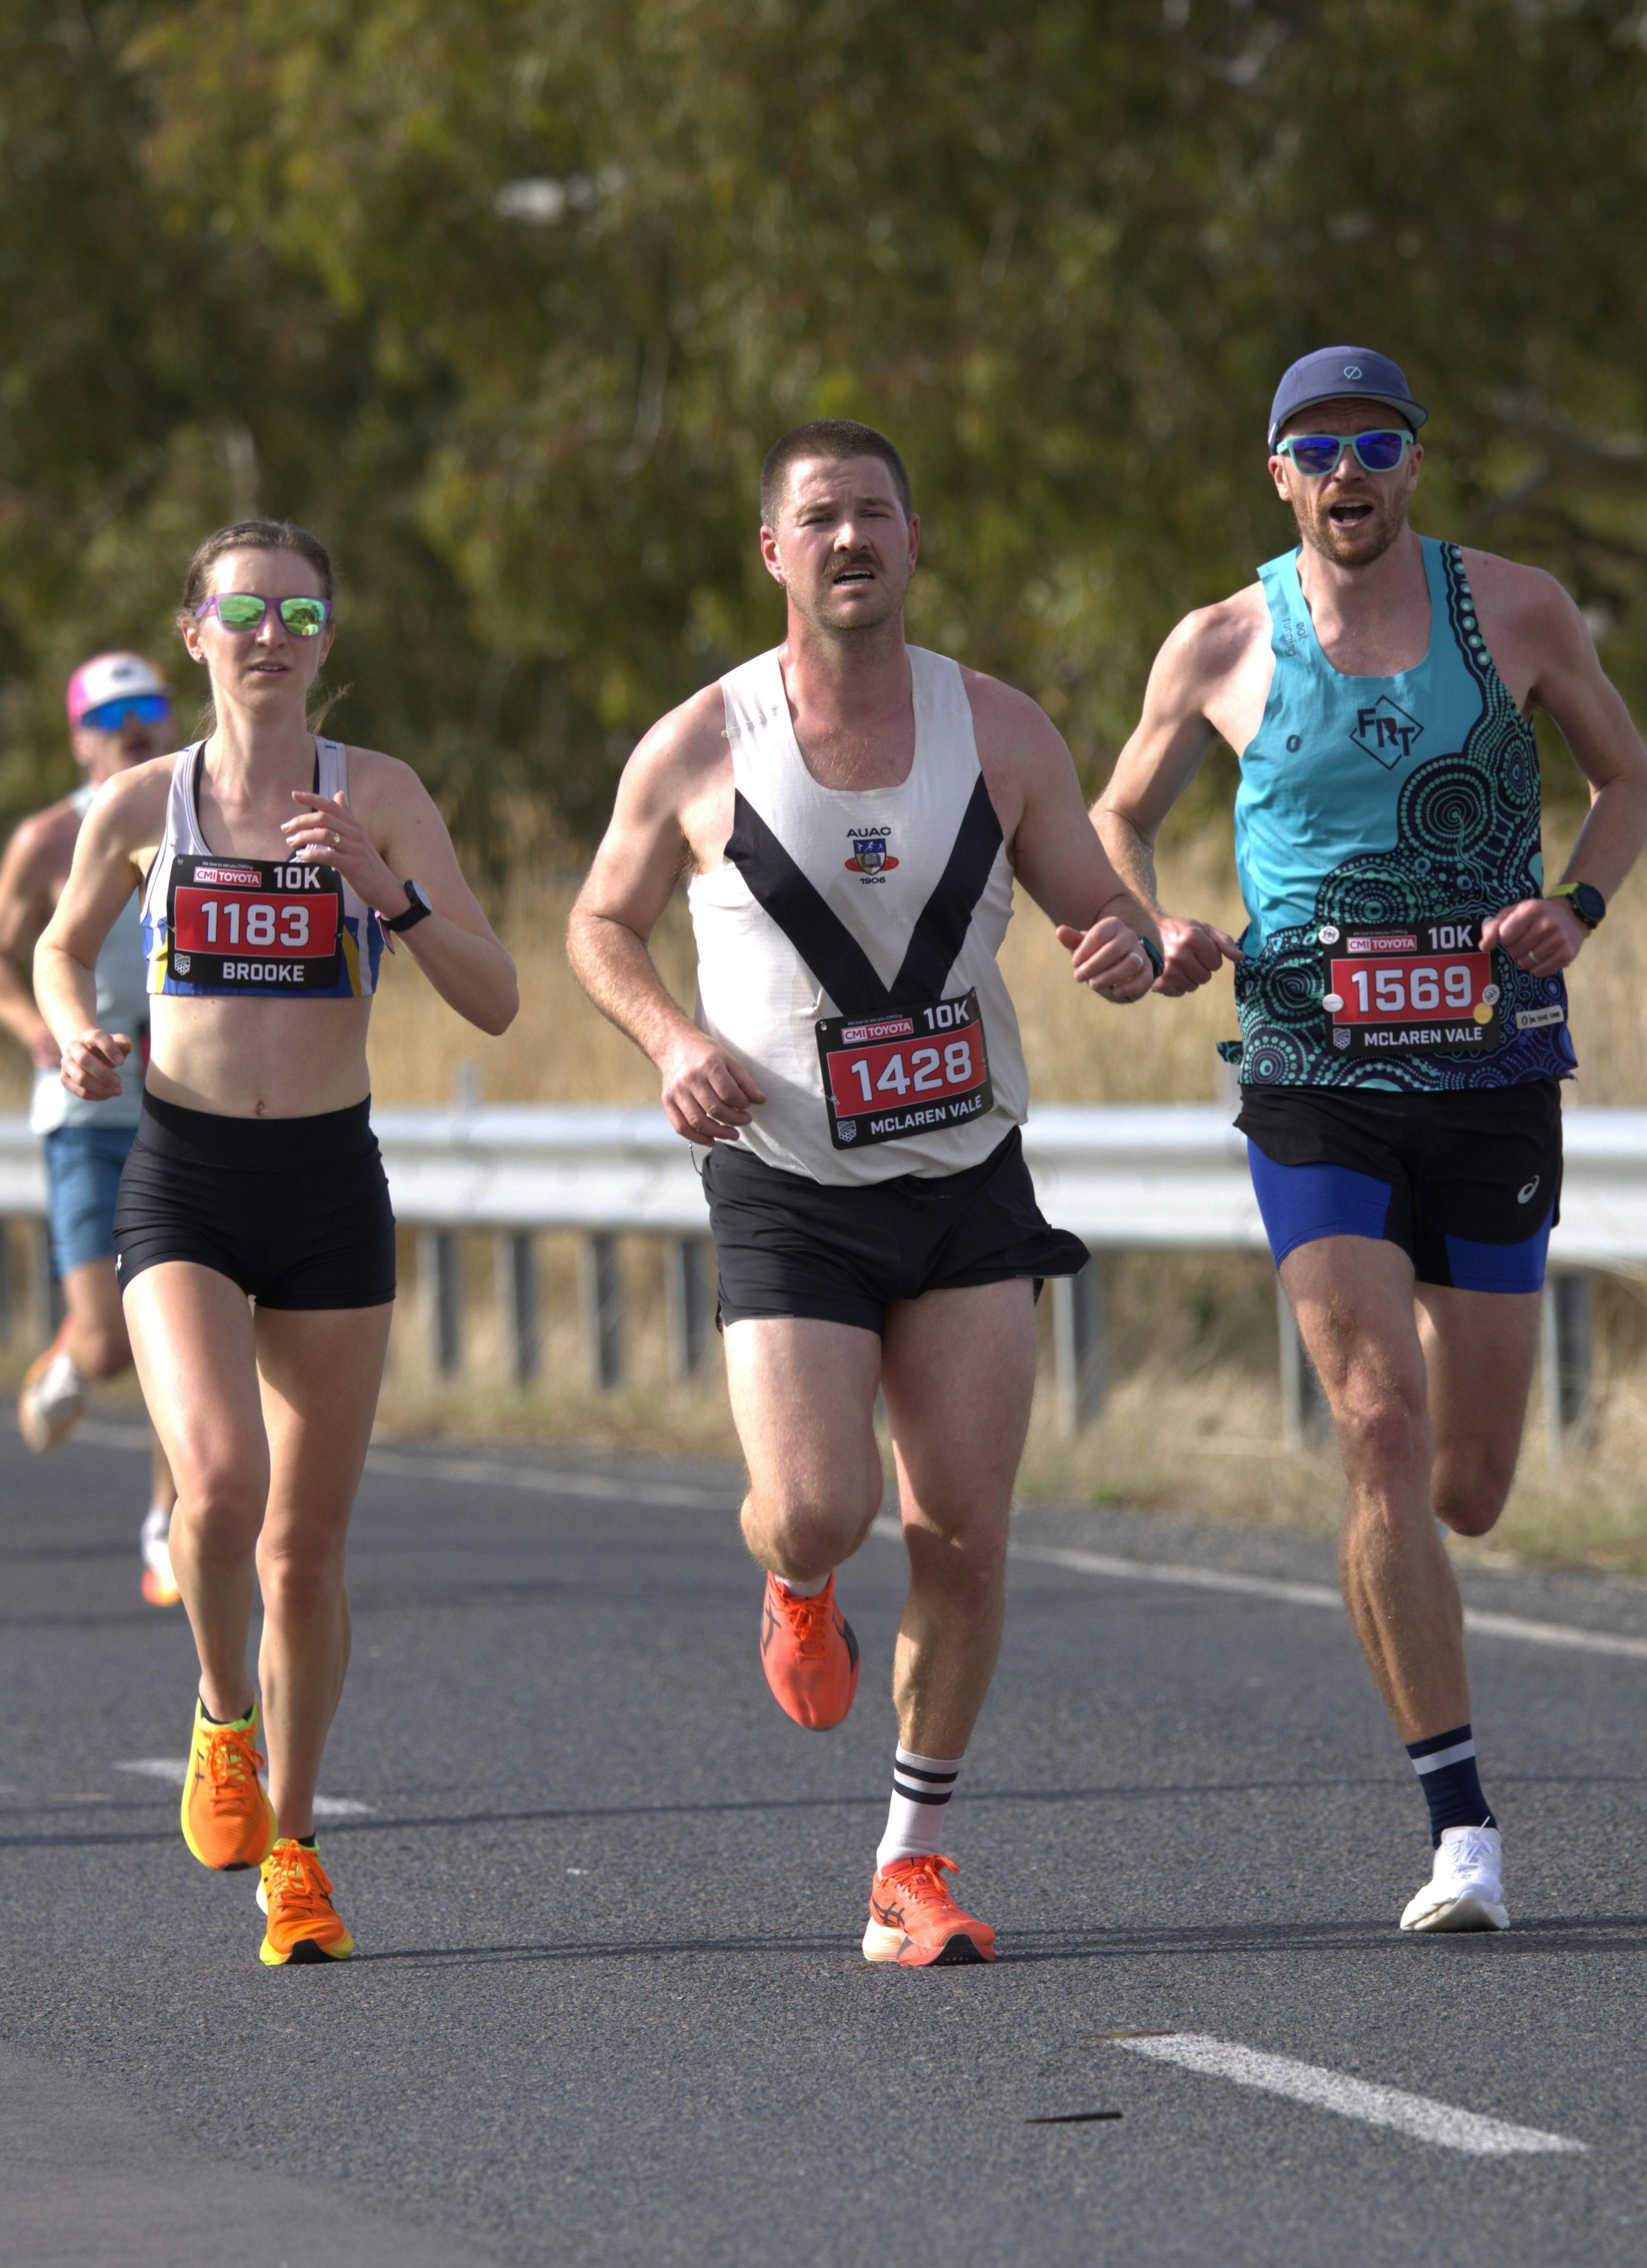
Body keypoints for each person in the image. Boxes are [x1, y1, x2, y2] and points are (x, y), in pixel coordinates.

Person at [568, 420, 1183, 1968]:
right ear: (772, 552)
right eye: (819, 518)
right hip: (787, 1183)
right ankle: (797, 1579)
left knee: (963, 1534)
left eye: (873, 515)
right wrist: (671, 1041)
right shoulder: (699, 743)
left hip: (967, 1174)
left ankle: (909, 1861)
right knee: (818, 1506)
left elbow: (1098, 912)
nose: (849, 540)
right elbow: (597, 923)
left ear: (915, 541)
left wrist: (1140, 947)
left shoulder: (1001, 728)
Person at [1090, 348, 1647, 1934]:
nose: (1349, 472)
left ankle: (1433, 1495)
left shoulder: (1520, 611)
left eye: (1376, 445)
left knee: (1469, 1485)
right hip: (1310, 1068)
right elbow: (1115, 814)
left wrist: (1577, 905)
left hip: (1490, 1069)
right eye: (1318, 448)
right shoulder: (1219, 641)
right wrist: (1156, 921)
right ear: (1278, 474)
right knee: (1378, 1429)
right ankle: (1459, 1826)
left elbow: (1628, 779)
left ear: (1415, 463)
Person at [35, 519, 517, 1965]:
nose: (270, 636)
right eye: (242, 612)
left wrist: (387, 888)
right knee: (221, 1480)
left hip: (326, 1183)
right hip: (182, 1178)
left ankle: (295, 1852)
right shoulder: (141, 803)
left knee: (304, 1554)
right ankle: (221, 1711)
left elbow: (494, 995)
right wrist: (71, 1035)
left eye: (300, 614)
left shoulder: (381, 795)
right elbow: (57, 946)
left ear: (328, 640)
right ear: (194, 633)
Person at [0, 651, 181, 1603]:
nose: (132, 728)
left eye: (148, 708)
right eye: (110, 715)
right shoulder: (49, 837)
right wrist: (41, 1030)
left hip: (186, 1108)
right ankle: (71, 1353)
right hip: (85, 1113)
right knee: (111, 1343)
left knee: (188, 1333)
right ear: (79, 736)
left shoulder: (204, 814)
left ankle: (168, 1524)